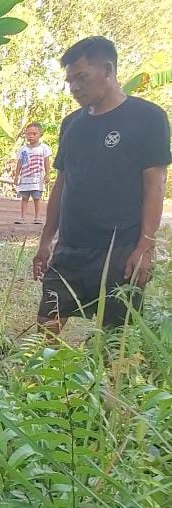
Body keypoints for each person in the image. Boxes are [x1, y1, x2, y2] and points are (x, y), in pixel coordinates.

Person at [33, 36, 170, 333]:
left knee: (114, 340)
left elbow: (155, 185)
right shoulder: (71, 124)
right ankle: (53, 381)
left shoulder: (148, 118)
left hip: (120, 251)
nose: (74, 88)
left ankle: (107, 380)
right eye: (70, 81)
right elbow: (61, 184)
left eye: (81, 77)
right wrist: (46, 241)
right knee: (47, 326)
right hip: (70, 247)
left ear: (108, 70)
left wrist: (146, 246)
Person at [13, 122, 52, 224]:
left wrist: (48, 174)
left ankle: (37, 217)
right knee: (24, 198)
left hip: (37, 179)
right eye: (28, 134)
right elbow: (20, 162)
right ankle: (22, 217)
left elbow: (46, 162)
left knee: (37, 198)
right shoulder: (23, 149)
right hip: (25, 178)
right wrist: (16, 176)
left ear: (40, 134)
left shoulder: (44, 148)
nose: (31, 136)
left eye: (34, 134)